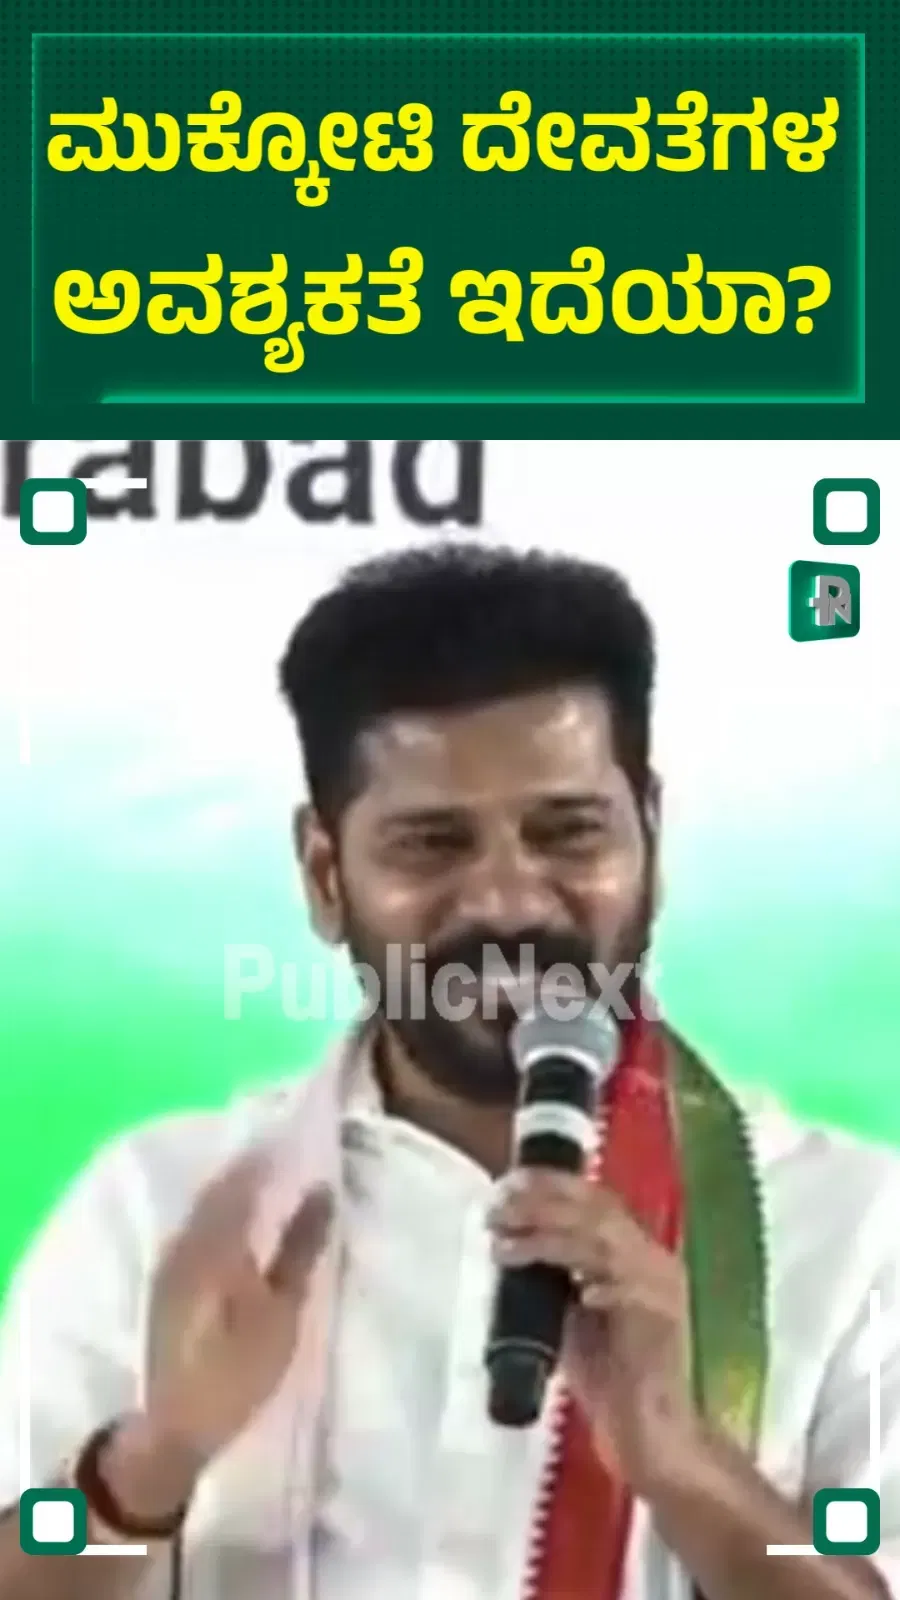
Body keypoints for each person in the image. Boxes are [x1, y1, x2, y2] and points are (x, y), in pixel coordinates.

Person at [0, 542, 896, 1600]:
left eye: (569, 834)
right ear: (325, 874)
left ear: (651, 836)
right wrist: (155, 1455)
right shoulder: (165, 1210)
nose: (509, 901)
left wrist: (686, 1464)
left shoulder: (848, 1225)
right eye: (432, 844)